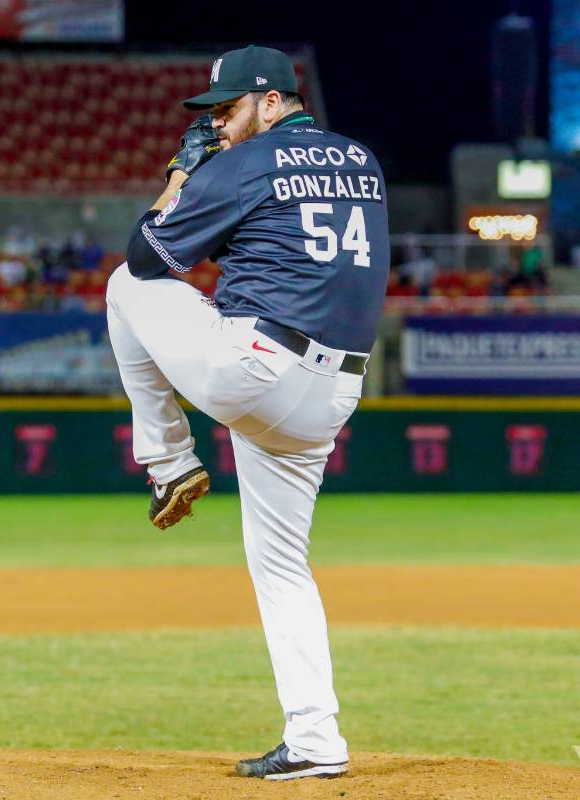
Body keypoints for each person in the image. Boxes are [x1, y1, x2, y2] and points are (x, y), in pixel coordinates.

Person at [106, 44, 389, 781]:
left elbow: (147, 257)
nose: (217, 127)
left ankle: (168, 463)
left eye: (226, 110)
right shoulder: (362, 160)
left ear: (270, 102)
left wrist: (182, 173)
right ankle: (316, 742)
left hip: (258, 365)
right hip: (332, 394)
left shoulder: (243, 164)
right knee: (282, 568)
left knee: (120, 287)